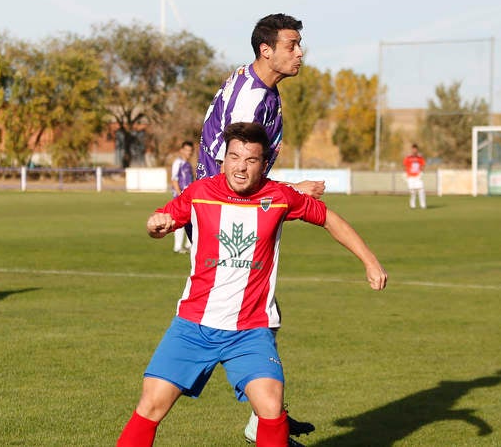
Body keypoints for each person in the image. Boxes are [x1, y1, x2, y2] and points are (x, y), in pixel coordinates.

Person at [116, 122, 388, 447]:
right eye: (234, 157)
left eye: (251, 160)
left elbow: (328, 218)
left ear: (263, 163)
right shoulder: (200, 193)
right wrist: (155, 225)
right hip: (194, 325)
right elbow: (164, 218)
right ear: (223, 159)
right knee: (151, 405)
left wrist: (370, 260)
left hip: (251, 330)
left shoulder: (279, 197)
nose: (241, 167)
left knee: (271, 405)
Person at [197, 13, 323, 444]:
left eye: (300, 43)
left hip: (233, 210)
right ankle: (264, 422)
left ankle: (270, 417)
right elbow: (231, 171)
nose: (300, 52)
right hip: (226, 216)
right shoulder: (252, 99)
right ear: (265, 50)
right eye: (292, 44)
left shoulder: (260, 87)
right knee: (237, 320)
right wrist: (292, 190)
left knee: (262, 314)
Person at [170, 140, 194, 253]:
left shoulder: (188, 165)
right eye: (187, 150)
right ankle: (178, 246)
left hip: (189, 198)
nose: (189, 152)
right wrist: (180, 195)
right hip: (180, 197)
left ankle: (189, 245)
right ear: (181, 150)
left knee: (190, 221)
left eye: (190, 150)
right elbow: (174, 179)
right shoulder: (177, 163)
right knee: (179, 221)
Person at [403, 144, 426, 209]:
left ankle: (423, 205)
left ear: (417, 150)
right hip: (410, 177)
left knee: (421, 190)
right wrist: (405, 174)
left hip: (418, 177)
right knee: (413, 192)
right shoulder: (408, 158)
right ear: (412, 149)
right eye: (413, 149)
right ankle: (412, 205)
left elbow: (422, 165)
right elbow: (405, 166)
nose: (414, 150)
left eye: (416, 149)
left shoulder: (420, 158)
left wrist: (421, 173)